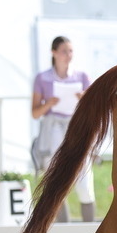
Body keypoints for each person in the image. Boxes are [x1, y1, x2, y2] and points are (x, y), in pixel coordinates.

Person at [32, 36, 96, 221]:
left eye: (70, 51)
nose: (68, 55)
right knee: (57, 182)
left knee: (84, 183)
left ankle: (89, 231)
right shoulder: (43, 78)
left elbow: (93, 108)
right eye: (64, 51)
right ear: (54, 53)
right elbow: (35, 113)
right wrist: (49, 104)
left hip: (76, 127)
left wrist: (84, 98)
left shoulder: (81, 76)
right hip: (53, 129)